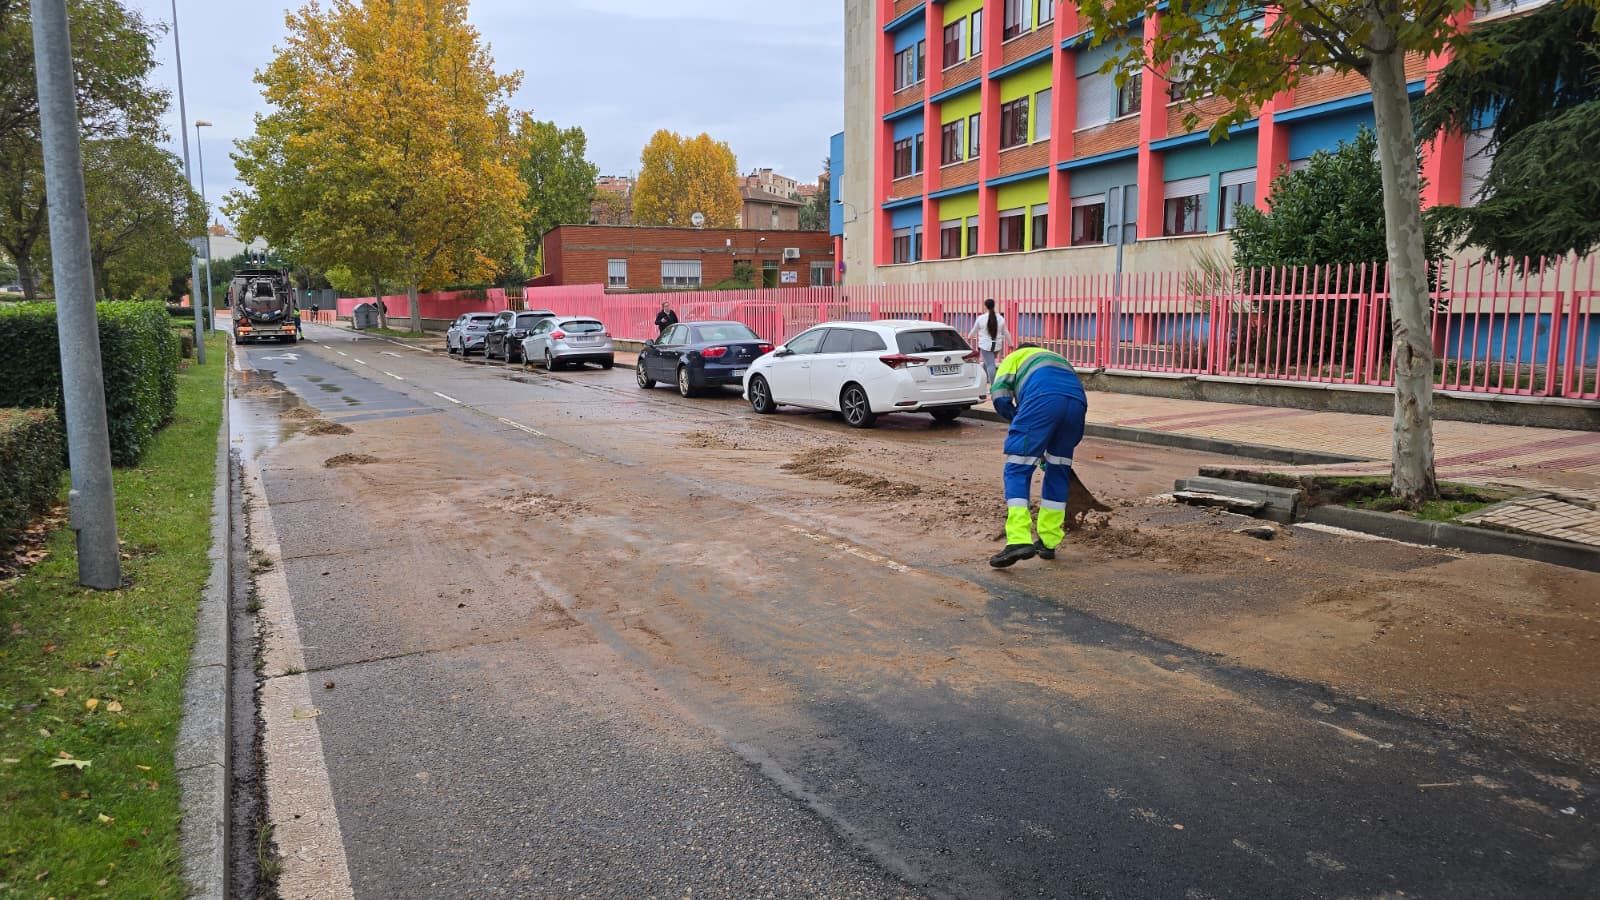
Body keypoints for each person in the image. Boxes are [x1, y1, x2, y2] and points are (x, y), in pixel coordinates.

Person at [987, 344, 1088, 568]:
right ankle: (1048, 542)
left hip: (1041, 401)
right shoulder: (1057, 357)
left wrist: (1019, 419)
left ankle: (1018, 539)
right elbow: (1063, 394)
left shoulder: (1013, 357)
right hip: (1077, 405)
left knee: (1017, 468)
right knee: (1057, 469)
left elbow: (1000, 396)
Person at [966, 298, 1009, 385]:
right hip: (997, 345)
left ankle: (993, 385)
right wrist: (1011, 343)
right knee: (987, 362)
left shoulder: (981, 318)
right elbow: (1006, 332)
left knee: (990, 365)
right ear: (994, 306)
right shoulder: (1000, 318)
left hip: (985, 345)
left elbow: (974, 330)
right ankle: (986, 380)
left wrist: (968, 337)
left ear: (985, 306)